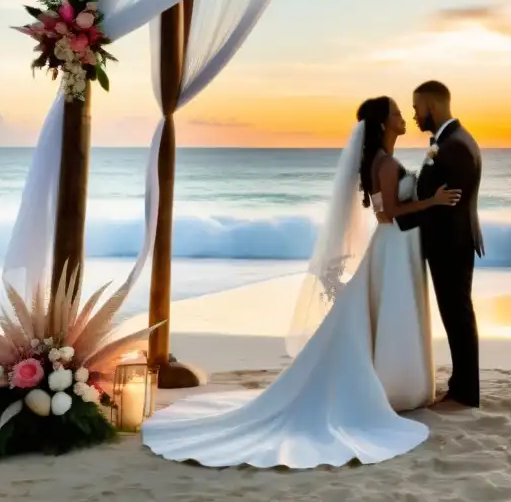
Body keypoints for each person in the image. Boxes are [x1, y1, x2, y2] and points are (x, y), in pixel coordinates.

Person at [141, 96, 461, 468]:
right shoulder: (386, 163)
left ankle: (396, 382)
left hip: (393, 248)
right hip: (392, 245)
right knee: (392, 312)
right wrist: (433, 201)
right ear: (382, 124)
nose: (402, 116)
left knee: (387, 312)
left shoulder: (378, 161)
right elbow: (387, 214)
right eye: (394, 113)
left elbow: (377, 210)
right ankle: (395, 386)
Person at [394, 80, 483, 409]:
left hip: (451, 243)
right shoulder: (451, 140)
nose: (415, 115)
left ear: (431, 106)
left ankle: (465, 393)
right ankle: (461, 387)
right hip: (452, 240)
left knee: (457, 315)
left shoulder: (454, 146)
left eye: (417, 108)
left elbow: (449, 205)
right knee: (456, 314)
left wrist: (399, 220)